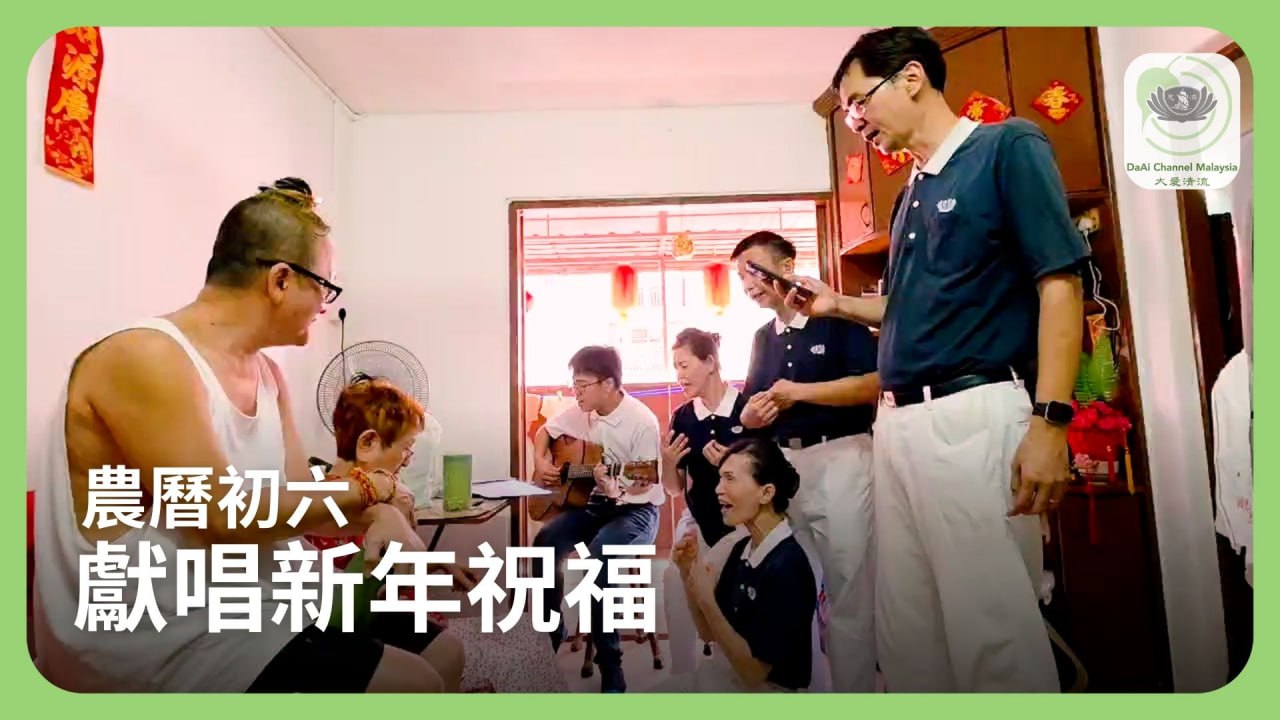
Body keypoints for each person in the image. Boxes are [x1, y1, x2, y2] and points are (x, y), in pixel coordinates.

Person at [32, 178, 443, 693]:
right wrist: (375, 488)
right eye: (326, 287)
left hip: (251, 603)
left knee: (444, 655)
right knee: (413, 684)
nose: (326, 304)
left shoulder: (268, 376)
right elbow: (222, 515)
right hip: (159, 632)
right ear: (280, 280)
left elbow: (303, 501)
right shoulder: (145, 357)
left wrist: (385, 514)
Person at [798, 26, 1092, 692]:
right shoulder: (911, 192)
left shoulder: (1005, 147)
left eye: (858, 102)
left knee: (991, 632)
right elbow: (906, 308)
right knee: (910, 633)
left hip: (971, 415)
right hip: (899, 427)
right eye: (847, 112)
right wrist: (837, 304)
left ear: (911, 78)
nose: (855, 121)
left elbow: (1059, 284)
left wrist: (1051, 421)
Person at [731, 230, 880, 692]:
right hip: (786, 468)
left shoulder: (837, 318)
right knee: (794, 586)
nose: (748, 285)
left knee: (848, 590)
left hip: (842, 459)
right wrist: (751, 415)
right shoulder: (763, 337)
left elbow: (873, 383)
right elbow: (750, 404)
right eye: (741, 278)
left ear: (787, 267)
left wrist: (800, 393)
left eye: (754, 272)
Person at [302, 374, 467, 691]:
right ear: (368, 444)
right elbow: (352, 593)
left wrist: (440, 562)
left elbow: (386, 567)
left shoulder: (382, 497)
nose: (408, 460)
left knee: (450, 652)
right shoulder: (326, 502)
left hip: (372, 611)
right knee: (423, 672)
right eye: (406, 448)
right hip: (343, 623)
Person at [530, 345, 663, 693]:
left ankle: (611, 663)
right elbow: (545, 432)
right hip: (595, 506)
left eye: (582, 386)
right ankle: (552, 630)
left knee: (599, 556)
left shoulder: (641, 421)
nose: (576, 393)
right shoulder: (583, 411)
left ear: (608, 383)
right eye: (573, 385)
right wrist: (541, 462)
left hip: (637, 510)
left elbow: (646, 483)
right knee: (544, 543)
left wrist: (616, 487)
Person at [657, 438, 817, 692]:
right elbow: (708, 633)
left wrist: (706, 598)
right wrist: (688, 574)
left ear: (766, 492)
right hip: (724, 677)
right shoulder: (742, 549)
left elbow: (753, 673)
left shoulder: (787, 566)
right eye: (720, 478)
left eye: (730, 479)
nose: (718, 489)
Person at [658, 328, 749, 676]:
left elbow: (765, 479)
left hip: (743, 523)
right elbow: (674, 489)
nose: (679, 375)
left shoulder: (745, 409)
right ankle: (681, 675)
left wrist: (731, 465)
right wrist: (668, 462)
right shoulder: (683, 417)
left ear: (710, 362)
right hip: (699, 518)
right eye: (675, 367)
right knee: (673, 578)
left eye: (684, 365)